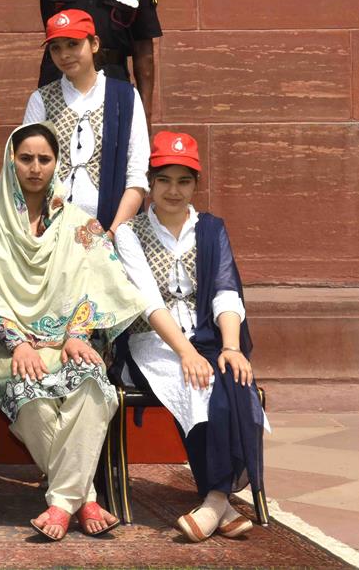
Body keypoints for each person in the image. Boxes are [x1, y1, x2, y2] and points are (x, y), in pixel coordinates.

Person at [0, 123, 147, 540]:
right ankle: (85, 499)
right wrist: (18, 344)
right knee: (34, 403)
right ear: (11, 160)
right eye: (26, 158)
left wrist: (79, 334)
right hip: (9, 348)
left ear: (56, 164)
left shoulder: (80, 224)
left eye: (44, 159)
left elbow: (98, 284)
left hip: (69, 342)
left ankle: (61, 504)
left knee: (94, 389)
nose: (35, 168)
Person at [112, 132, 266, 543]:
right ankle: (221, 503)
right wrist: (185, 352)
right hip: (152, 342)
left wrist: (231, 348)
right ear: (150, 183)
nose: (173, 190)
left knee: (232, 378)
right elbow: (146, 301)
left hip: (210, 337)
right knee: (196, 382)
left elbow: (225, 291)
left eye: (183, 180)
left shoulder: (211, 229)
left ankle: (215, 501)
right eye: (164, 180)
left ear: (196, 184)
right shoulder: (129, 233)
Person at [24, 9, 149, 231]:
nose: (64, 55)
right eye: (56, 48)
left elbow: (137, 174)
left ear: (94, 44)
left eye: (72, 44)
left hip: (112, 228)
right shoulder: (41, 99)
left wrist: (112, 234)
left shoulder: (125, 97)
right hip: (52, 230)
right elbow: (25, 171)